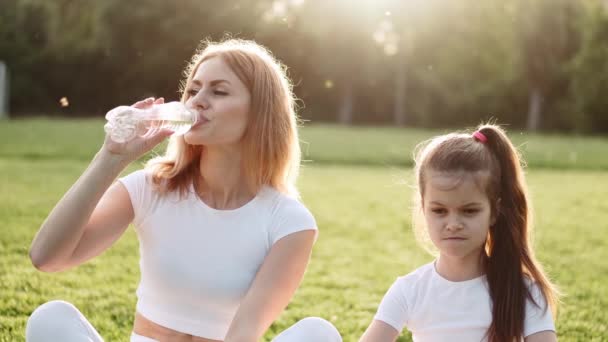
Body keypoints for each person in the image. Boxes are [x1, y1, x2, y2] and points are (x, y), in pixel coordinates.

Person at [26, 39, 341, 342]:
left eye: (218, 91)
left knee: (318, 333)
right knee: (51, 318)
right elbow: (47, 257)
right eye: (193, 89)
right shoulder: (151, 188)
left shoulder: (289, 221)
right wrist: (111, 158)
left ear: (260, 111)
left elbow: (243, 335)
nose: (197, 100)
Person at [360, 124, 560, 342]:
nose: (453, 224)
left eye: (469, 211)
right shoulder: (408, 291)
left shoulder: (523, 291)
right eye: (439, 211)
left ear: (494, 212)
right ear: (423, 210)